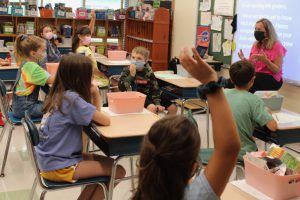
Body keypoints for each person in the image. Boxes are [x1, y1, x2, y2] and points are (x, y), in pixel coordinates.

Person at [132, 48, 240, 200]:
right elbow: (229, 149)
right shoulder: (195, 196)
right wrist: (211, 81)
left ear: (142, 159)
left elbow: (228, 150)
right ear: (193, 167)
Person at [36, 54, 125, 199]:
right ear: (81, 78)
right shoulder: (72, 100)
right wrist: (96, 93)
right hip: (60, 165)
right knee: (118, 170)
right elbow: (104, 120)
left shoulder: (60, 93)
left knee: (108, 168)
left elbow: (95, 118)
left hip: (52, 159)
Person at [224, 60, 277, 161]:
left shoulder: (222, 94)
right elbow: (273, 127)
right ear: (253, 80)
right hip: (244, 152)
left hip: (222, 148)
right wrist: (267, 112)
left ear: (231, 79)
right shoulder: (254, 100)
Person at [118, 46, 177, 115]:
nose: (135, 61)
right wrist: (131, 75)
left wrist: (157, 103)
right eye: (133, 57)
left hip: (149, 96)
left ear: (145, 61)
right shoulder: (127, 70)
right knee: (152, 108)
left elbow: (155, 89)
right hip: (136, 97)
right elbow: (121, 88)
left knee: (173, 108)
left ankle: (166, 125)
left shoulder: (149, 72)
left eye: (139, 58)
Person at [238, 18, 287, 93]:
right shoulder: (256, 44)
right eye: (255, 29)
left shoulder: (277, 46)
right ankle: (224, 84)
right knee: (239, 76)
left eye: (259, 30)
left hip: (273, 79)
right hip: (257, 75)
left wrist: (266, 61)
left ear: (267, 32)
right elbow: (251, 64)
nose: (256, 32)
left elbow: (276, 70)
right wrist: (245, 60)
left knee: (251, 79)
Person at [12, 34, 54, 118]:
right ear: (33, 53)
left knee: (52, 104)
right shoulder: (33, 67)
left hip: (19, 106)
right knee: (59, 108)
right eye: (42, 50)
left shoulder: (26, 63)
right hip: (26, 109)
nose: (44, 53)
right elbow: (53, 80)